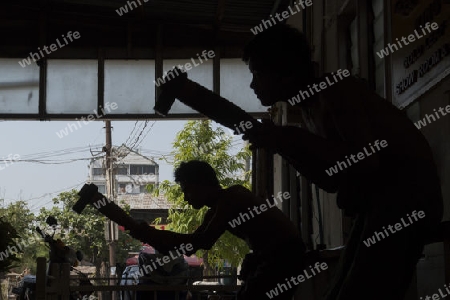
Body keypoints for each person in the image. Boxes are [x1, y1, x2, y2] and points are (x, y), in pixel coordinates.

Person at [240, 24, 444, 299]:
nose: (253, 84)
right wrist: (283, 145)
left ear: (284, 68)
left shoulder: (335, 89)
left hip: (406, 200)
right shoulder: (310, 109)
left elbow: (365, 162)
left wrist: (289, 139)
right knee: (339, 291)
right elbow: (332, 180)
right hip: (381, 204)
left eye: (257, 73)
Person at [129, 160, 305, 300]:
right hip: (279, 255)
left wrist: (152, 234)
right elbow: (192, 246)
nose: (186, 198)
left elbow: (201, 241)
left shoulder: (231, 199)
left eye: (187, 191)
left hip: (284, 256)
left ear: (201, 184)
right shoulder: (219, 207)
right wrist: (152, 236)